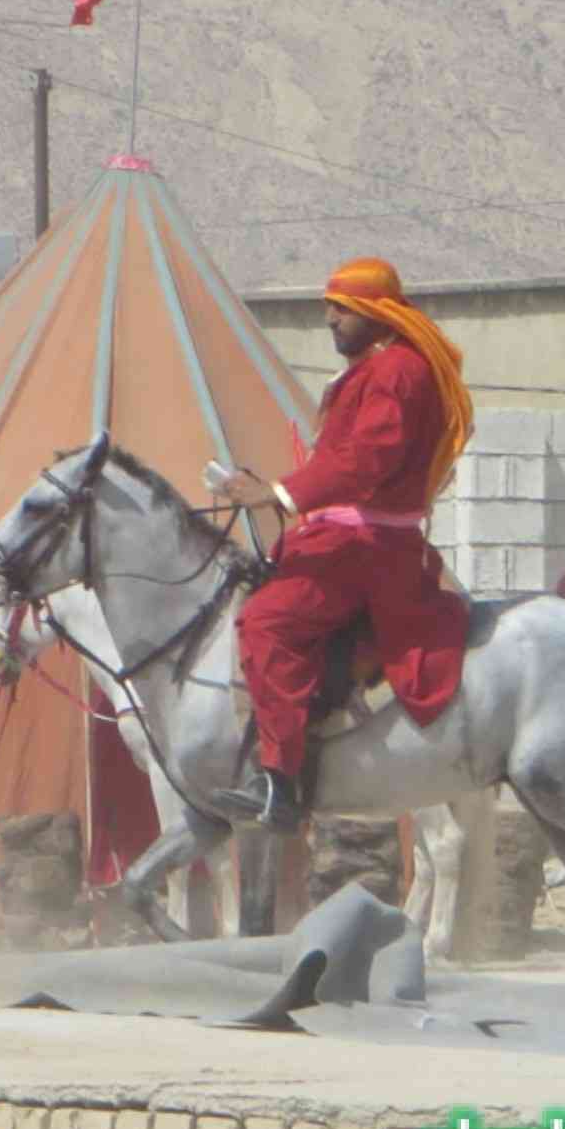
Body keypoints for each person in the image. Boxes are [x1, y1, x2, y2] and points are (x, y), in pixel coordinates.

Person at [205, 257, 475, 833]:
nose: (329, 318)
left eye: (341, 309)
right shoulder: (376, 368)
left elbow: (366, 461)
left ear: (376, 313)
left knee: (266, 624)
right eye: (330, 306)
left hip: (367, 544)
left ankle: (282, 784)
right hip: (345, 533)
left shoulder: (397, 371)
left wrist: (276, 493)